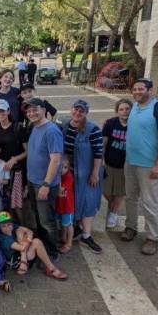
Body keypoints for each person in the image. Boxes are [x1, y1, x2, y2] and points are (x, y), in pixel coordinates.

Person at [123, 79, 158, 255]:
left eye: (141, 89)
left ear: (150, 90)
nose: (137, 92)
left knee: (150, 202)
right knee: (130, 198)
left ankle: (152, 237)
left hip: (149, 165)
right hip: (130, 162)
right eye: (135, 89)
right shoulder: (134, 108)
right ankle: (131, 227)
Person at [62, 99, 104, 254]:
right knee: (74, 200)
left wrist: (94, 173)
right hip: (69, 171)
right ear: (71, 109)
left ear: (86, 113)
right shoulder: (65, 125)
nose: (77, 113)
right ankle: (77, 229)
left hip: (87, 172)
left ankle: (86, 235)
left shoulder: (92, 129)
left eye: (81, 111)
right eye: (76, 109)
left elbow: (98, 152)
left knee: (88, 202)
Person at [24, 97, 62, 257]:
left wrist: (46, 184)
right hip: (33, 181)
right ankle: (42, 248)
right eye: (29, 111)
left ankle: (52, 252)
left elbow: (56, 160)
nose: (31, 113)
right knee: (38, 217)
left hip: (44, 184)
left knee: (47, 220)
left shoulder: (52, 130)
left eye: (35, 110)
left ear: (44, 110)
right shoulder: (35, 127)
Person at [0, 211, 66, 279]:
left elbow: (29, 231)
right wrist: (26, 238)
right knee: (21, 233)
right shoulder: (4, 238)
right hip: (16, 262)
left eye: (9, 224)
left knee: (32, 239)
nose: (7, 228)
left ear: (12, 224)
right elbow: (22, 248)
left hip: (23, 257)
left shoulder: (13, 227)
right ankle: (46, 266)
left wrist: (27, 238)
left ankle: (50, 267)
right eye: (3, 226)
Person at [0, 99, 28, 219]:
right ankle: (6, 226)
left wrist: (14, 159)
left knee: (16, 203)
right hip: (1, 171)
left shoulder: (18, 127)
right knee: (3, 202)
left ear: (8, 111)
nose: (1, 113)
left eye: (3, 110)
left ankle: (19, 226)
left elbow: (28, 151)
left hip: (16, 171)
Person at [102, 99, 132, 229]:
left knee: (120, 192)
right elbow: (103, 144)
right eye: (121, 109)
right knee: (105, 190)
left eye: (127, 109)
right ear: (117, 111)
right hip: (110, 163)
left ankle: (113, 213)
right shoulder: (110, 123)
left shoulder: (135, 124)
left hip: (126, 165)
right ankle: (112, 207)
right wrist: (100, 161)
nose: (124, 111)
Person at [56, 158, 75, 253]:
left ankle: (69, 243)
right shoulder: (59, 176)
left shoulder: (69, 177)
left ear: (68, 168)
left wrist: (57, 178)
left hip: (67, 207)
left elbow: (61, 189)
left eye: (65, 167)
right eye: (60, 167)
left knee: (68, 225)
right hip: (60, 206)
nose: (62, 170)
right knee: (63, 223)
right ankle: (63, 238)